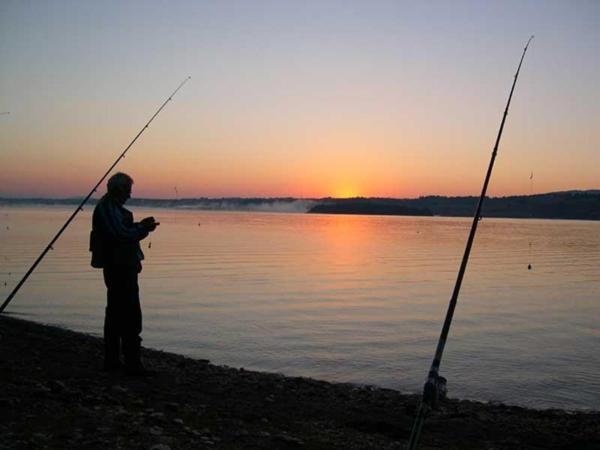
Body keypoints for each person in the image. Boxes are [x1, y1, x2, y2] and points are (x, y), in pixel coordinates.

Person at [90, 172, 159, 375]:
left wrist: (140, 227)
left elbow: (122, 232)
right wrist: (142, 229)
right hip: (118, 268)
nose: (129, 195)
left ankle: (119, 361)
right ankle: (129, 364)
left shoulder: (114, 210)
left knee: (118, 313)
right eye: (127, 191)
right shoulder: (106, 209)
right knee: (127, 314)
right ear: (118, 190)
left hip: (123, 267)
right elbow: (120, 235)